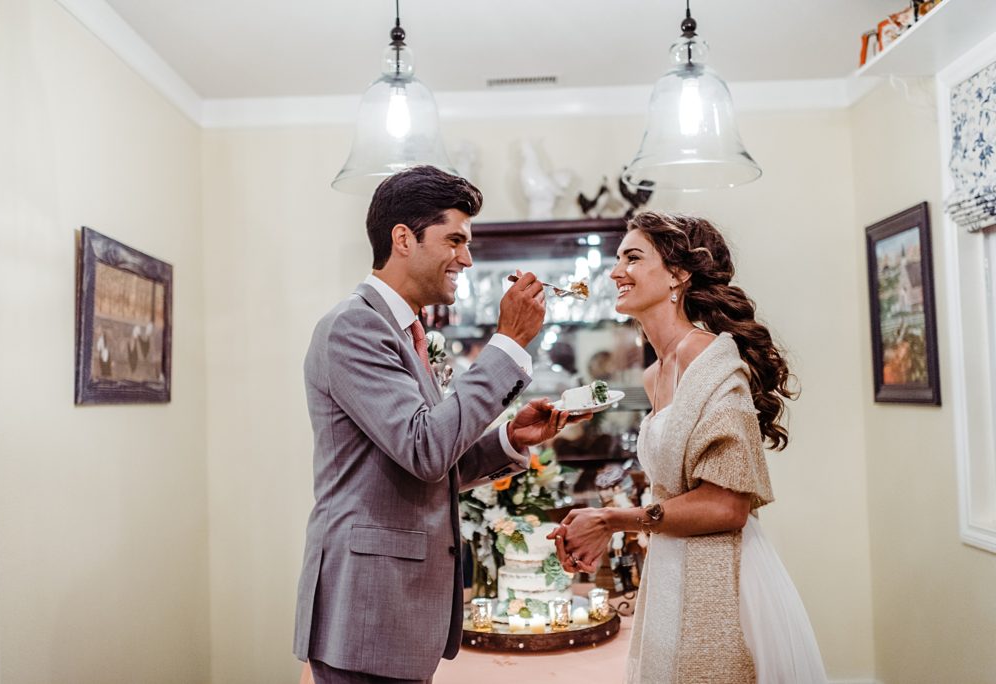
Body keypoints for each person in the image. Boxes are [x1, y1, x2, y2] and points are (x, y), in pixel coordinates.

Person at [293, 165, 577, 684]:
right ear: (403, 238)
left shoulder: (408, 333)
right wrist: (508, 343)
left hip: (396, 614)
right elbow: (424, 448)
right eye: (454, 240)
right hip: (368, 611)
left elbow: (425, 459)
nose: (467, 258)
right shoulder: (354, 326)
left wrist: (509, 440)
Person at [550, 212, 828, 683]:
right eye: (617, 259)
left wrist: (613, 521)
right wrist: (605, 528)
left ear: (679, 274)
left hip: (722, 573)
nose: (616, 271)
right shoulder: (654, 375)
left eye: (633, 258)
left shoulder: (710, 359)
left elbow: (727, 505)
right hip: (670, 566)